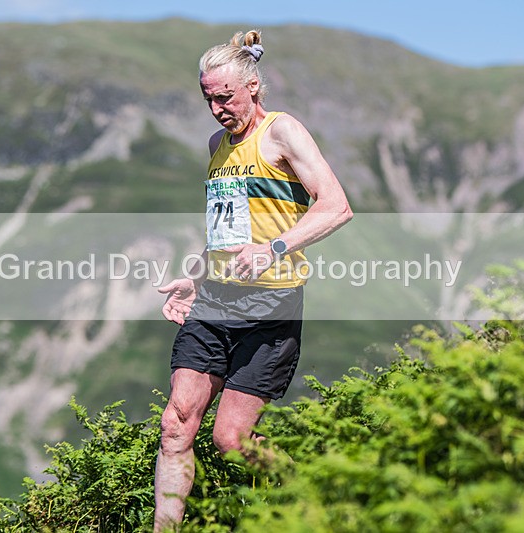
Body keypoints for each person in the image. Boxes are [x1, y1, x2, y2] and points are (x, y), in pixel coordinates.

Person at [153, 29, 352, 531]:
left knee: (231, 441)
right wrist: (196, 277)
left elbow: (336, 207)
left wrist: (275, 248)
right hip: (215, 301)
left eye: (226, 97)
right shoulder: (217, 144)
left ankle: (320, 501)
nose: (218, 109)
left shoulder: (282, 132)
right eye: (209, 99)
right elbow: (227, 231)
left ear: (254, 87)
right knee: (176, 424)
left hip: (271, 305)